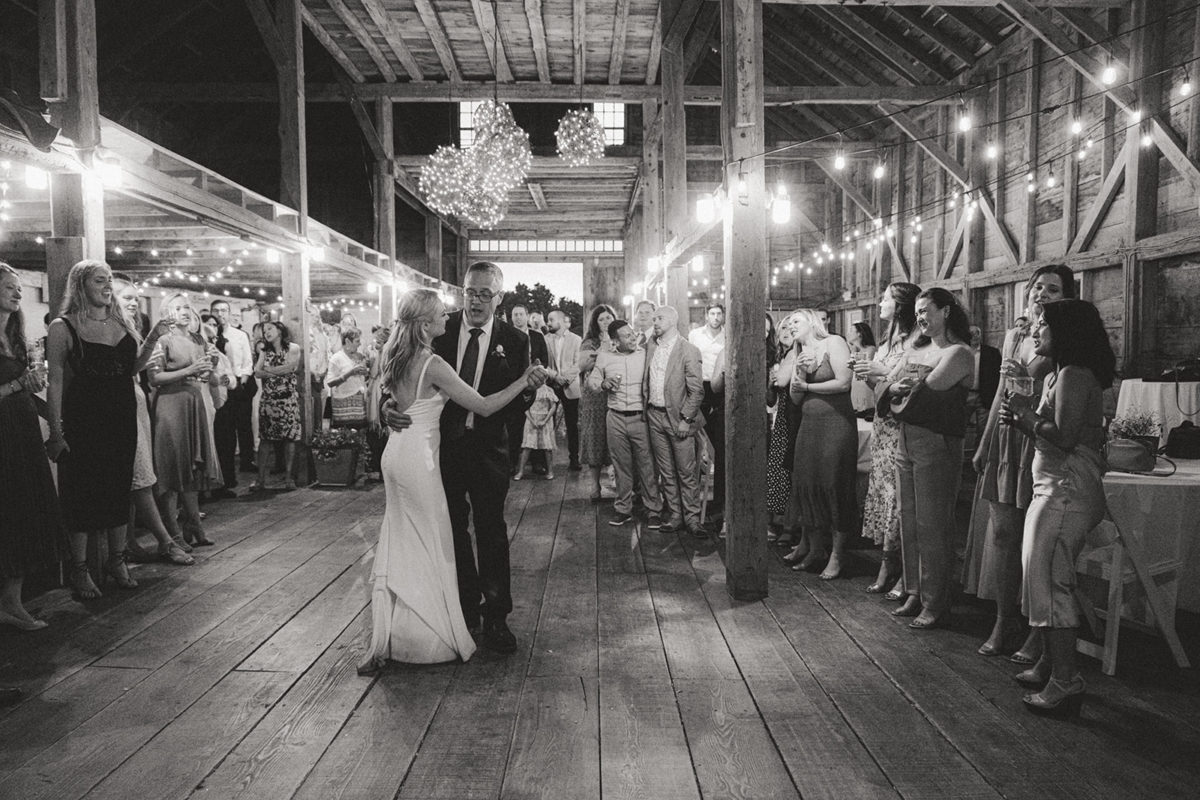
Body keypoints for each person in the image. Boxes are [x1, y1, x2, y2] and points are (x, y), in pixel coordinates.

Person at [359, 288, 545, 674]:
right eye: (445, 312)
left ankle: (478, 617)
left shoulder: (397, 349)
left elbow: (390, 390)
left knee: (410, 537)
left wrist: (391, 403)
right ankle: (436, 623)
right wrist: (524, 381)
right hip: (429, 457)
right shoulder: (435, 356)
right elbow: (484, 403)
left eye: (482, 293)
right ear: (427, 324)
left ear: (496, 294)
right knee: (440, 536)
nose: (453, 315)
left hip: (402, 453)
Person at [999, 299, 1114, 716]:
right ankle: (1051, 663)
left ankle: (1066, 682)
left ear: (1066, 332)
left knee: (1050, 581)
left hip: (1065, 491)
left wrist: (1025, 417)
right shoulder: (1058, 374)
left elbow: (1064, 438)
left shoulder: (1072, 374)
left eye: (1043, 325)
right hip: (1053, 486)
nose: (1035, 330)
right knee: (1041, 577)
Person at [967, 265, 1075, 660]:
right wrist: (984, 443)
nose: (1042, 294)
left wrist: (1021, 378)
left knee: (1037, 544)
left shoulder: (1062, 338)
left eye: (1053, 288)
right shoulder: (1015, 334)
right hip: (1005, 436)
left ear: (1067, 296)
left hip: (1037, 437)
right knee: (1003, 536)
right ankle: (1002, 619)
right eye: (1037, 287)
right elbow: (1001, 392)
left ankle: (1037, 631)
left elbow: (1035, 385)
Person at [46, 260, 141, 600]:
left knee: (118, 486)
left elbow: (130, 368)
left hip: (121, 417)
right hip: (84, 420)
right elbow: (54, 381)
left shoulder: (120, 322)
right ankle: (80, 570)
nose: (107, 285)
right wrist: (56, 432)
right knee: (82, 493)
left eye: (110, 279)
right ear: (81, 285)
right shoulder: (63, 326)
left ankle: (118, 561)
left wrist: (154, 336)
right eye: (100, 280)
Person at [883, 288, 974, 629]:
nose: (920, 317)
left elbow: (918, 397)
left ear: (947, 311)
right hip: (907, 438)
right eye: (917, 312)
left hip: (937, 441)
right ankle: (913, 590)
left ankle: (936, 601)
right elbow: (891, 388)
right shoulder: (921, 348)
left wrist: (898, 388)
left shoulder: (960, 353)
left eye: (926, 310)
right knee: (908, 517)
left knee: (933, 523)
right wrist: (895, 388)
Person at [112, 279, 193, 567]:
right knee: (140, 476)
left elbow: (135, 367)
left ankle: (130, 541)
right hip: (121, 402)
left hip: (136, 399)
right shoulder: (112, 329)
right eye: (127, 298)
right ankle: (166, 540)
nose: (134, 303)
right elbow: (137, 369)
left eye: (136, 299)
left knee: (139, 474)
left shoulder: (131, 328)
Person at [0, 262, 64, 629]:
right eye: (9, 287)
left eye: (19, 288)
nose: (17, 293)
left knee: (27, 510)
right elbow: (14, 387)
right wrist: (16, 385)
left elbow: (26, 389)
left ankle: (13, 600)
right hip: (3, 435)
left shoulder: (16, 334)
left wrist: (56, 424)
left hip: (23, 431)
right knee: (9, 512)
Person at [855, 283, 922, 596]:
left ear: (901, 305)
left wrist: (882, 374)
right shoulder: (885, 341)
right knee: (882, 491)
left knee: (897, 497)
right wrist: (867, 373)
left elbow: (908, 382)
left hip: (901, 426)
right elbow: (880, 383)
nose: (880, 302)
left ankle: (900, 567)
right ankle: (888, 559)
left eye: (886, 298)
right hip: (882, 424)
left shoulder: (914, 342)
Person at [785, 309, 857, 580]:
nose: (791, 326)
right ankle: (815, 549)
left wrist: (807, 387)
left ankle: (838, 554)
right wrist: (799, 375)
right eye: (789, 323)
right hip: (809, 425)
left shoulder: (834, 343)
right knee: (807, 484)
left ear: (811, 322)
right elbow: (794, 398)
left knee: (834, 485)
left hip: (836, 425)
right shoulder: (798, 353)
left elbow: (843, 383)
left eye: (795, 321)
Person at [148, 294, 224, 548]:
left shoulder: (197, 339)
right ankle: (172, 532)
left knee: (192, 467)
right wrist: (189, 371)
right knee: (171, 468)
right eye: (177, 307)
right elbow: (154, 378)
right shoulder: (162, 340)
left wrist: (210, 366)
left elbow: (206, 378)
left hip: (194, 403)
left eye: (187, 307)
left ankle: (195, 524)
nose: (184, 311)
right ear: (166, 312)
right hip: (171, 404)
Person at [590, 318, 664, 526]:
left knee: (647, 465)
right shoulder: (604, 357)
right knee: (621, 465)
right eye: (627, 336)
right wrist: (603, 383)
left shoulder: (645, 354)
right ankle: (623, 508)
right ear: (615, 341)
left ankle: (653, 509)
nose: (633, 338)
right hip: (615, 417)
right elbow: (592, 382)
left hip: (641, 417)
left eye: (632, 333)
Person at [643, 305, 706, 538]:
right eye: (653, 318)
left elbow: (697, 391)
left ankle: (692, 518)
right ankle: (675, 515)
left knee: (687, 471)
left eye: (659, 318)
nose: (654, 322)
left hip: (679, 418)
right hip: (654, 415)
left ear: (672, 320)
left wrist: (686, 419)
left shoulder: (688, 349)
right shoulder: (651, 347)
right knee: (666, 471)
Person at [211, 300, 257, 495]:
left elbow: (247, 360)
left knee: (243, 425)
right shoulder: (208, 336)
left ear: (229, 313)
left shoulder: (239, 335)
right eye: (217, 311)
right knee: (223, 433)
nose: (220, 314)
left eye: (224, 310)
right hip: (216, 385)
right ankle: (222, 476)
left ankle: (245, 461)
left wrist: (242, 382)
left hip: (238, 383)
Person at [252, 320, 302, 492]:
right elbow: (257, 372)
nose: (266, 332)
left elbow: (291, 368)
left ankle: (289, 478)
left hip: (287, 399)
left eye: (270, 329)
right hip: (269, 400)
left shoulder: (293, 348)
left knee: (290, 438)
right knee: (265, 439)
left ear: (280, 330)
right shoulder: (264, 351)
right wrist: (278, 370)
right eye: (264, 330)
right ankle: (260, 480)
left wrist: (269, 370)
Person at [767, 314, 801, 545]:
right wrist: (771, 381)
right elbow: (771, 399)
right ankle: (780, 521)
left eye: (792, 328)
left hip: (799, 414)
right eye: (783, 330)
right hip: (783, 417)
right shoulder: (779, 358)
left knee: (795, 471)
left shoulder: (802, 354)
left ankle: (792, 525)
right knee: (779, 470)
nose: (787, 332)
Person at [689, 303, 726, 519]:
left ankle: (716, 500)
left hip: (719, 387)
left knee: (716, 441)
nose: (715, 317)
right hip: (701, 384)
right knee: (699, 440)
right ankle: (695, 497)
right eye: (712, 313)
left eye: (719, 313)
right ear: (706, 315)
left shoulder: (726, 336)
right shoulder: (695, 335)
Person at [578, 304, 616, 500]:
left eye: (608, 318)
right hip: (594, 396)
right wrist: (602, 348)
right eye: (601, 319)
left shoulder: (621, 339)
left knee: (615, 438)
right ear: (595, 322)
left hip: (615, 394)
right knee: (595, 438)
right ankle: (594, 485)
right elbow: (583, 365)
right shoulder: (589, 343)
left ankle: (617, 480)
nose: (606, 322)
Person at [507, 303, 550, 473]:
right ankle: (512, 462)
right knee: (514, 424)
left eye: (520, 314)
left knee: (536, 423)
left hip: (534, 383)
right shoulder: (507, 336)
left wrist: (536, 375)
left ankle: (537, 462)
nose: (518, 317)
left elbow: (544, 359)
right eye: (514, 314)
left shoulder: (537, 336)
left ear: (527, 316)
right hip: (513, 384)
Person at [545, 309, 582, 470]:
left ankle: (574, 458)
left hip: (569, 386)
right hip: (552, 385)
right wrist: (555, 376)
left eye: (551, 320)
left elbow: (578, 363)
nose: (548, 322)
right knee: (548, 423)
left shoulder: (576, 339)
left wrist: (564, 378)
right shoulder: (545, 339)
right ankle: (546, 461)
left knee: (572, 424)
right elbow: (543, 363)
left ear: (560, 321)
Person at [514, 383, 559, 481]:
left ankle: (550, 471)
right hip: (531, 420)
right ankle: (520, 471)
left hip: (545, 421)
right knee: (527, 446)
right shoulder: (529, 391)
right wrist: (532, 420)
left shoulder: (548, 390)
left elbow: (553, 407)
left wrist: (545, 420)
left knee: (547, 447)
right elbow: (525, 407)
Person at [326, 328, 370, 428]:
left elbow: (363, 379)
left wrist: (366, 374)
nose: (359, 344)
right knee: (344, 436)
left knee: (359, 435)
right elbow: (330, 383)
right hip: (342, 402)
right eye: (357, 341)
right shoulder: (336, 358)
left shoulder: (359, 357)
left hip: (358, 402)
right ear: (347, 341)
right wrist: (350, 373)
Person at [848, 321, 878, 416]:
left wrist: (853, 352)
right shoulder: (850, 348)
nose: (848, 333)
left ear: (859, 333)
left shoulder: (870, 348)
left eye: (851, 331)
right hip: (854, 385)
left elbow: (863, 368)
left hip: (865, 384)